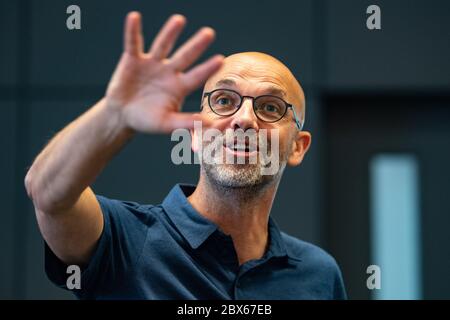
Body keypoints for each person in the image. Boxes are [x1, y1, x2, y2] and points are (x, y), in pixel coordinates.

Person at [25, 12, 346, 299]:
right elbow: (47, 193)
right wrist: (115, 115)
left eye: (270, 107)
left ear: (297, 146)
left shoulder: (319, 274)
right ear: (194, 132)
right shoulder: (122, 238)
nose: (245, 119)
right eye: (223, 101)